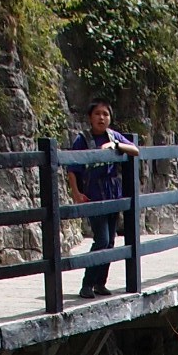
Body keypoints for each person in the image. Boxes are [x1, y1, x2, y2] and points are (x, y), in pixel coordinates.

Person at [68, 101, 139, 296]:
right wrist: (76, 192)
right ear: (90, 117)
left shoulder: (113, 136)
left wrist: (116, 145)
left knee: (110, 242)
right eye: (98, 114)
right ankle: (87, 284)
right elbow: (72, 168)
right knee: (101, 240)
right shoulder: (82, 139)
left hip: (112, 194)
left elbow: (135, 150)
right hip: (94, 194)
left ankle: (100, 282)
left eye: (105, 114)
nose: (102, 118)